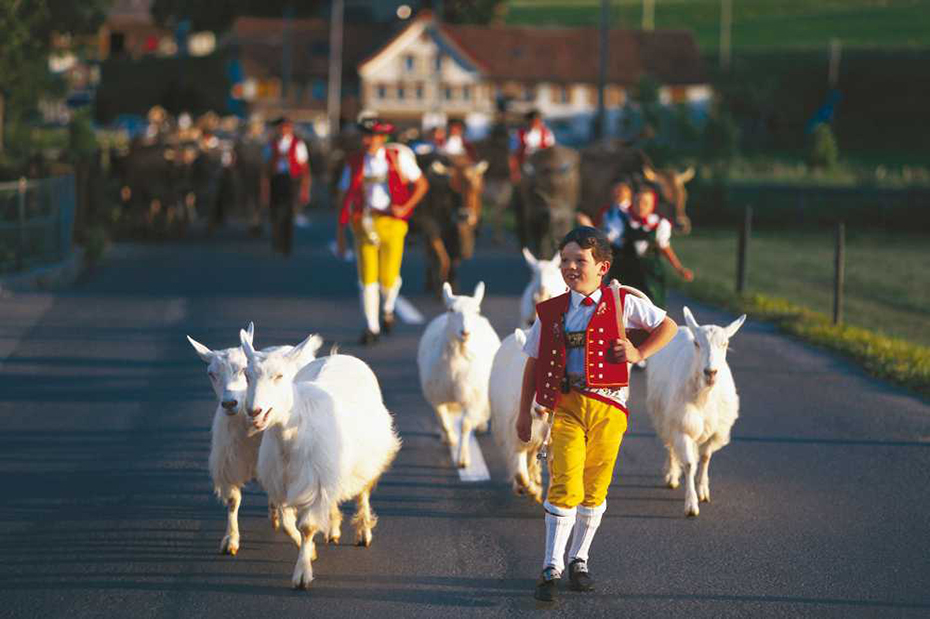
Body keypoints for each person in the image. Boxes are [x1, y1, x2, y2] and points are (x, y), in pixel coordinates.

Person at [515, 226, 678, 603]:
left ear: (602, 266)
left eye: (580, 261)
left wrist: (638, 353)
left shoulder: (623, 302)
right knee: (564, 480)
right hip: (568, 407)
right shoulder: (551, 311)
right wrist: (524, 412)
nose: (571, 267)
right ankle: (550, 565)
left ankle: (580, 558)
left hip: (610, 408)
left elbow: (667, 326)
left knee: (596, 484)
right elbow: (534, 362)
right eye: (565, 261)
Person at [336, 117, 429, 345]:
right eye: (364, 136)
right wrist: (341, 228)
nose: (367, 141)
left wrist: (405, 207)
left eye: (371, 136)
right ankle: (371, 327)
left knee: (388, 277)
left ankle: (387, 308)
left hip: (393, 222)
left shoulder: (397, 158)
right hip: (364, 221)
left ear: (381, 138)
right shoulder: (355, 162)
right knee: (367, 278)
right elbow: (343, 193)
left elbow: (422, 184)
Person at [616, 188, 693, 309]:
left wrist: (679, 268)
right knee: (624, 307)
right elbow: (611, 243)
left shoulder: (659, 224)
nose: (640, 206)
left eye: (645, 203)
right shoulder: (621, 220)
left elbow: (665, 248)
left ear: (652, 205)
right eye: (637, 202)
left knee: (653, 306)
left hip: (651, 274)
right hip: (626, 271)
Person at [262, 117, 310, 256]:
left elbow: (304, 167)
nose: (284, 130)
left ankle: (286, 244)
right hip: (276, 179)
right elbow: (266, 168)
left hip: (291, 180)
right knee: (275, 212)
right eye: (282, 127)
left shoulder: (298, 144)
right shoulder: (271, 144)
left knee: (288, 212)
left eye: (287, 127)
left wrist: (305, 188)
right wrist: (265, 188)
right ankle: (277, 242)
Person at [509, 110, 555, 247]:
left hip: (543, 169)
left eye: (538, 121)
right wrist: (515, 172)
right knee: (520, 193)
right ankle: (521, 218)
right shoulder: (518, 135)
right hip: (526, 168)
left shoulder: (547, 134)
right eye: (533, 121)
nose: (536, 123)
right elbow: (513, 155)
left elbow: (552, 153)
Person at [577, 181, 633, 283]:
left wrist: (589, 226)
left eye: (621, 190)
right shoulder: (607, 211)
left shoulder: (631, 212)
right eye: (615, 190)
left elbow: (612, 236)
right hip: (609, 251)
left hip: (625, 254)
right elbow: (600, 228)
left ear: (629, 192)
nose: (617, 193)